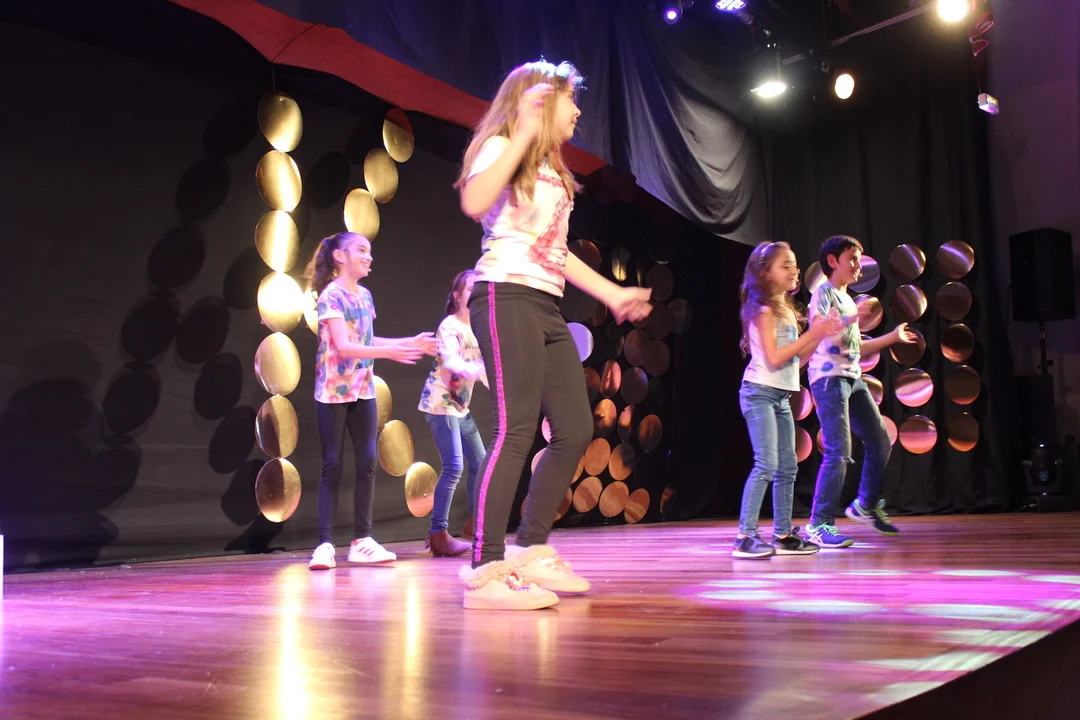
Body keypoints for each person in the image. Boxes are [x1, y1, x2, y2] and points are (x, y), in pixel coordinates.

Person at [455, 59, 653, 610]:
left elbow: (556, 251)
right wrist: (521, 132)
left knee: (574, 426)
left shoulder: (550, 169)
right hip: (504, 294)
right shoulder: (502, 146)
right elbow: (473, 202)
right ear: (537, 102)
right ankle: (485, 571)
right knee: (516, 429)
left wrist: (612, 293)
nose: (578, 111)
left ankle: (532, 549)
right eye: (570, 99)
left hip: (545, 303)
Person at [304, 231, 437, 571]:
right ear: (340, 256)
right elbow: (344, 346)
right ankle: (324, 544)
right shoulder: (332, 296)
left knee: (367, 463)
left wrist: (410, 342)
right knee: (333, 464)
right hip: (333, 392)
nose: (369, 257)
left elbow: (366, 339)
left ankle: (362, 541)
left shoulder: (364, 295)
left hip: (363, 390)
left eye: (369, 251)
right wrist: (391, 353)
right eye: (361, 250)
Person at [805, 235, 916, 548]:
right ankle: (818, 524)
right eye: (852, 259)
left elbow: (855, 348)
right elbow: (820, 328)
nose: (858, 266)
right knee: (839, 451)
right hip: (829, 379)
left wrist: (892, 338)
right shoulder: (823, 293)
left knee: (880, 441)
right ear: (832, 261)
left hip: (852, 378)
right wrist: (845, 320)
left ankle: (864, 505)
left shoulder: (847, 299)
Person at [734, 241, 843, 559]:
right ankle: (745, 536)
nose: (794, 270)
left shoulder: (786, 311)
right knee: (766, 464)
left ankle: (782, 534)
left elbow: (796, 362)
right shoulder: (763, 311)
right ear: (765, 274)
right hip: (759, 393)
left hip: (781, 396)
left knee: (788, 466)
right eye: (786, 265)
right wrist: (814, 332)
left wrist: (820, 335)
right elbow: (774, 357)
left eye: (794, 264)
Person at [418, 269, 488, 557]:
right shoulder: (450, 326)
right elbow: (451, 361)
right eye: (471, 288)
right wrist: (478, 370)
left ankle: (475, 524)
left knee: (481, 463)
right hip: (441, 404)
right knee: (454, 466)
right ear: (457, 295)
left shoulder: (480, 326)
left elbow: (486, 368)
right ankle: (439, 535)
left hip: (460, 407)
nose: (477, 293)